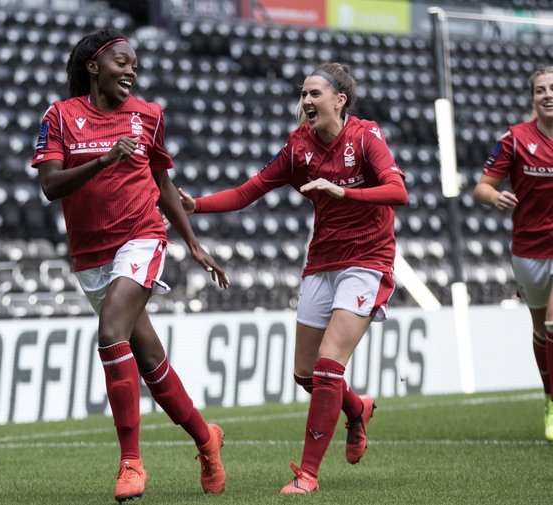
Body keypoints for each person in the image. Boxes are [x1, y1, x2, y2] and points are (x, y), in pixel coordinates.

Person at [179, 62, 408, 494]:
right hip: (322, 261)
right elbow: (250, 190)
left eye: (315, 94)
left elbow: (398, 191)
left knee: (326, 367)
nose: (306, 101)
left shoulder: (365, 136)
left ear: (339, 100)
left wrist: (345, 192)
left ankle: (308, 475)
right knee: (305, 373)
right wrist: (198, 206)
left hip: (368, 259)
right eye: (303, 94)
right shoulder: (298, 145)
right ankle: (357, 409)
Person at [30, 28, 228, 502]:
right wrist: (102, 161)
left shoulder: (149, 116)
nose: (132, 70)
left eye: (135, 64)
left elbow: (161, 181)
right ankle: (206, 440)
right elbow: (51, 186)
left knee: (110, 332)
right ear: (94, 67)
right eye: (122, 61)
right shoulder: (60, 116)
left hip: (141, 236)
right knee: (150, 360)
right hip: (90, 255)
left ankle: (131, 464)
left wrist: (193, 243)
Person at [474, 66, 553, 440]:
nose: (548, 95)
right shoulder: (516, 139)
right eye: (540, 90)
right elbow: (482, 188)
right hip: (528, 249)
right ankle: (549, 397)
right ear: (532, 97)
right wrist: (496, 196)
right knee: (541, 330)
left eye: (552, 88)